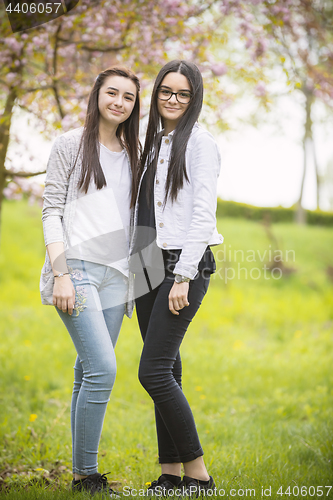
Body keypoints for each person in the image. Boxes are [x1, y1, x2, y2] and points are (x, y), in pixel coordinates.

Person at [40, 66, 141, 497]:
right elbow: (51, 211)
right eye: (112, 93)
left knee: (87, 370)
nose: (119, 102)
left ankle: (82, 474)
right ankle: (87, 474)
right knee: (103, 369)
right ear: (97, 94)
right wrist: (60, 273)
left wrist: (139, 278)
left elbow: (139, 220)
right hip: (77, 269)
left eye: (129, 97)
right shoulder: (69, 145)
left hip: (118, 276)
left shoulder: (136, 152)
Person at [132, 60, 224, 497]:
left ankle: (200, 476)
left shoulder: (201, 143)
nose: (172, 99)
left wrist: (184, 276)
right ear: (156, 94)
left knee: (152, 372)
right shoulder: (152, 142)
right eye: (166, 91)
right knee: (168, 368)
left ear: (194, 98)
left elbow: (203, 214)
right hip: (146, 263)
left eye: (182, 94)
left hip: (181, 266)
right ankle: (170, 475)